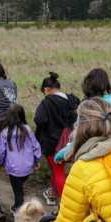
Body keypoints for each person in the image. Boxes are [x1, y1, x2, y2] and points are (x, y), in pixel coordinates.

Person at [54, 68, 111, 163]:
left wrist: (60, 155)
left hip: (110, 155)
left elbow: (81, 137)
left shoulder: (94, 107)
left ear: (87, 86)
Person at [33, 72, 79, 206]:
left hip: (53, 143)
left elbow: (40, 120)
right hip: (70, 142)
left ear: (46, 89)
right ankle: (52, 194)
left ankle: (63, 205)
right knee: (57, 169)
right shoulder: (73, 100)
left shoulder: (47, 102)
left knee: (58, 172)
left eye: (43, 91)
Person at [0, 104, 42, 213]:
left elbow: (1, 151)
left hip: (14, 168)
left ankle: (19, 212)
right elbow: (35, 145)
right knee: (19, 186)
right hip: (28, 166)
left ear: (8, 116)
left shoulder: (4, 132)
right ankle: (18, 206)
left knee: (18, 193)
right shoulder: (27, 129)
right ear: (22, 115)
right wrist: (37, 159)